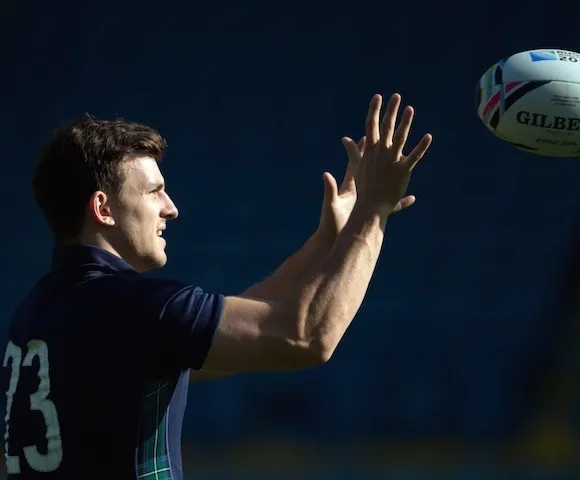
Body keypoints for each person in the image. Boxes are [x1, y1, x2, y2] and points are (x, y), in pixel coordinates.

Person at [1, 93, 432, 479]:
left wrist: (327, 242)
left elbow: (247, 319)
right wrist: (372, 212)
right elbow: (305, 336)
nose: (171, 208)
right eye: (153, 191)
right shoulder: (134, 306)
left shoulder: (36, 312)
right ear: (103, 208)